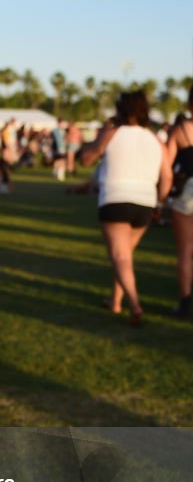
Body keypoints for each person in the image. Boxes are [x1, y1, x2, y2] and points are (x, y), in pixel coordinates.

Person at [81, 90, 172, 325]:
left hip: (115, 198)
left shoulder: (113, 133)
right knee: (125, 256)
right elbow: (167, 176)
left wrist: (96, 142)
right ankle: (116, 302)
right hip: (145, 202)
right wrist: (160, 202)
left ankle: (134, 305)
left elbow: (87, 159)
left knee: (120, 257)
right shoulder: (155, 139)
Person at [166, 89, 193, 318]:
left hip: (186, 191)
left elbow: (167, 166)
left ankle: (185, 302)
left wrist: (161, 197)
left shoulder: (180, 130)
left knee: (185, 251)